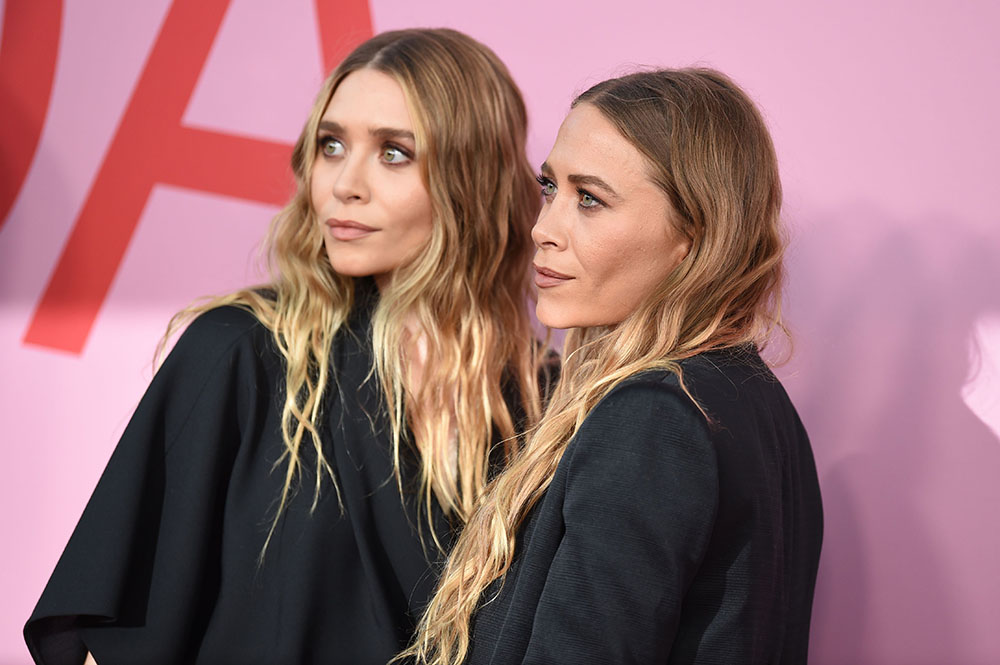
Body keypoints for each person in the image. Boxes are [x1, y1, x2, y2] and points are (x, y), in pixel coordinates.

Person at [25, 28, 547, 665]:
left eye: (394, 153)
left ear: (475, 176)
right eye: (332, 145)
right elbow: (105, 635)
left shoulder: (538, 399)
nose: (344, 184)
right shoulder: (243, 353)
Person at [403, 68, 824, 665]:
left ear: (693, 235)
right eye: (550, 189)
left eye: (591, 200)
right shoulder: (755, 402)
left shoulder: (653, 417)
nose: (543, 229)